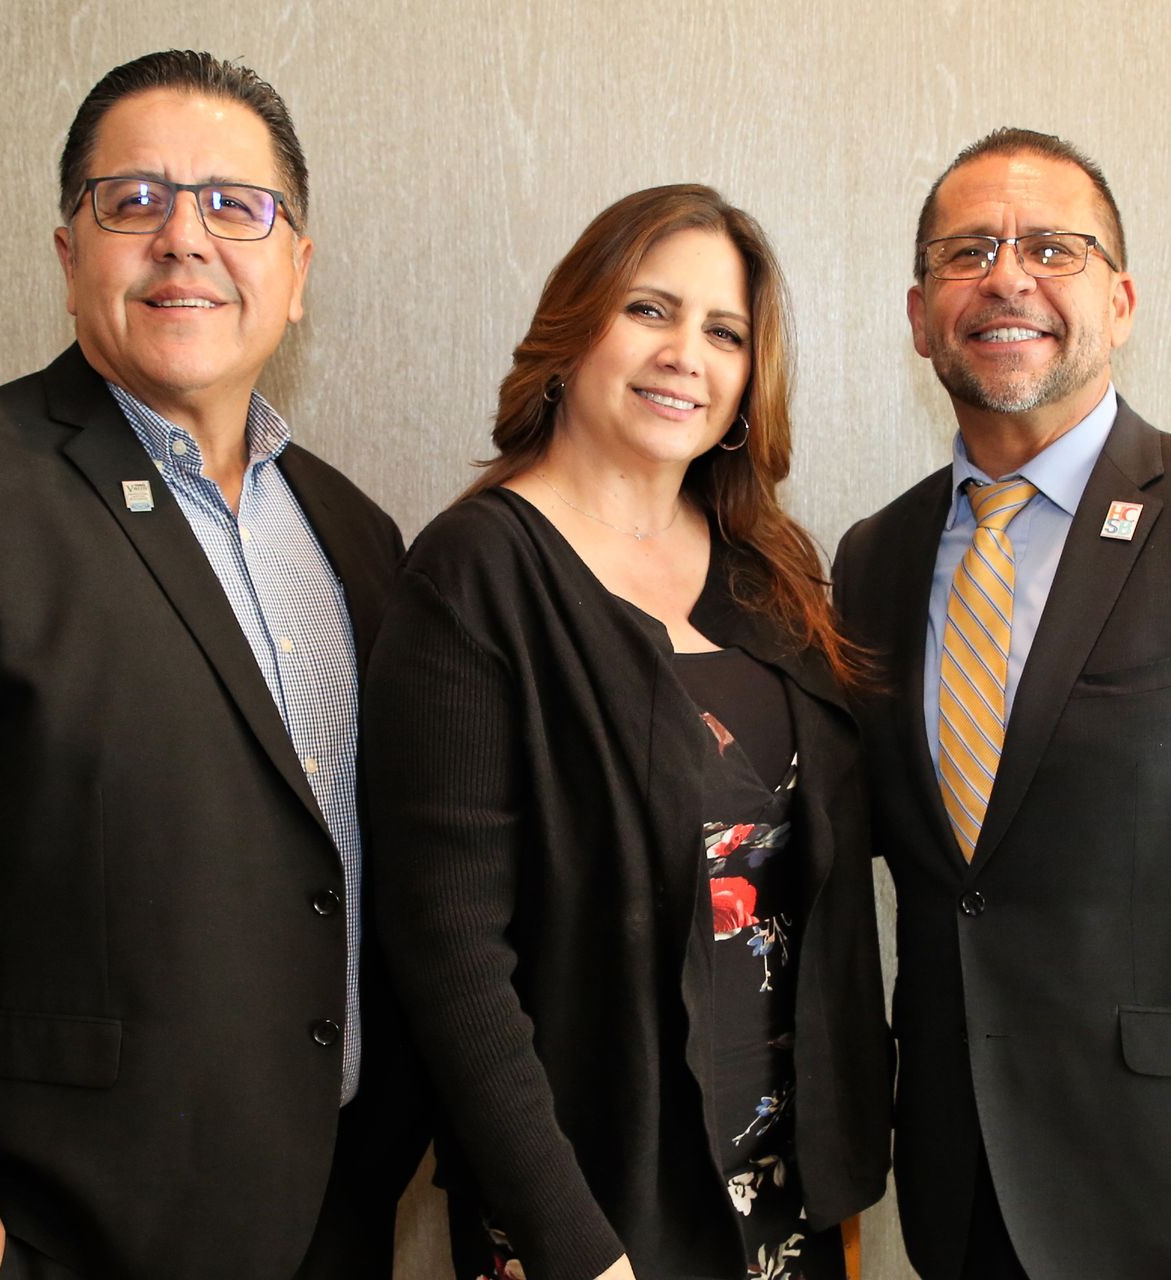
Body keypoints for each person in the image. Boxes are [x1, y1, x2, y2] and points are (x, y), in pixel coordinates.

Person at [0, 50, 423, 1280]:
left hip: (339, 1220)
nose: (185, 238)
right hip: (71, 1238)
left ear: (297, 271)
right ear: (69, 254)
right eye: (134, 199)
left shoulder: (357, 536)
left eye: (235, 205)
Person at [833, 128, 1171, 1279]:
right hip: (958, 1181)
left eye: (1053, 246)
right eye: (967, 251)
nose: (1007, 275)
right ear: (920, 309)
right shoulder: (873, 559)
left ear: (1122, 300)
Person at [362, 184, 891, 1280]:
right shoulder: (477, 573)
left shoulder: (773, 572)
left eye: (725, 331)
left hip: (788, 1191)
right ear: (573, 330)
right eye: (650, 309)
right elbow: (450, 950)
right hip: (593, 1206)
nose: (685, 354)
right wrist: (569, 1242)